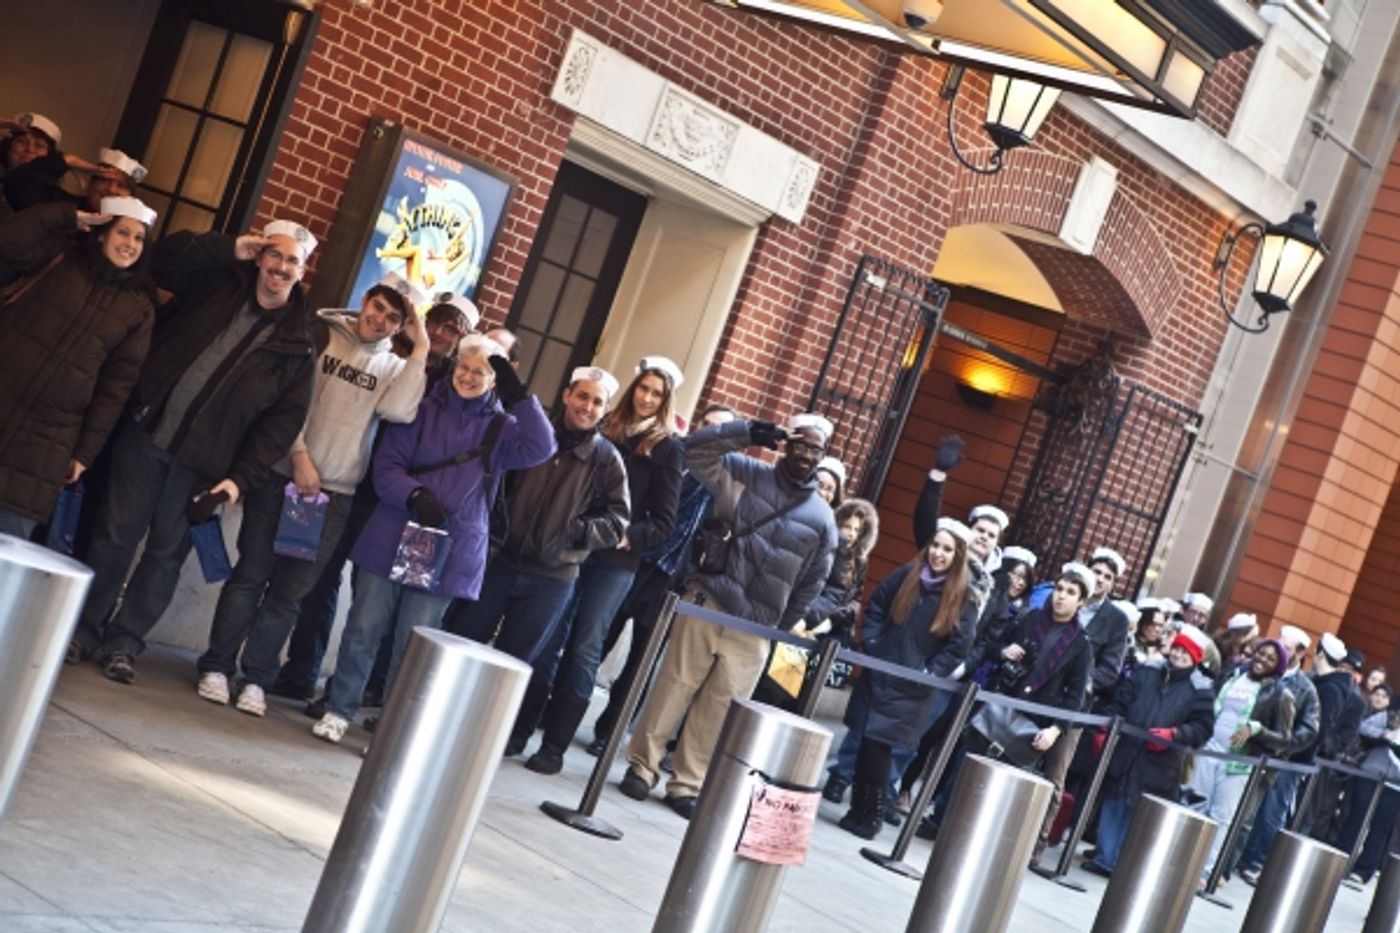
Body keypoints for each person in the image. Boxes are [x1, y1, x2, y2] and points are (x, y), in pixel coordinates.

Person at [70, 219, 321, 683]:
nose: (280, 268)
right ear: (261, 256)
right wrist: (229, 248)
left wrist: (238, 480)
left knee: (165, 557)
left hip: (204, 469)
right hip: (148, 435)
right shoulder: (218, 282)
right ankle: (82, 629)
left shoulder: (300, 346)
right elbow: (163, 261)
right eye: (274, 255)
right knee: (113, 537)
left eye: (292, 261)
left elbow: (279, 426)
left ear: (302, 272)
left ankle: (124, 642)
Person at [194, 279, 429, 715]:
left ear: (402, 325)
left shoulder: (396, 368)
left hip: (333, 496)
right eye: (377, 309)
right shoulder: (320, 336)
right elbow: (286, 403)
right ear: (365, 300)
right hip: (282, 476)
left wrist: (420, 348)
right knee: (251, 576)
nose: (379, 321)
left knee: (289, 594)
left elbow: (399, 411)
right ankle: (217, 666)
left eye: (393, 319)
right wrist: (299, 454)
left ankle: (256, 679)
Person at [309, 334, 556, 742]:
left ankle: (395, 728)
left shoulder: (503, 428)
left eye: (482, 372)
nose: (470, 377)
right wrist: (415, 494)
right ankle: (340, 708)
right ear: (454, 367)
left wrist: (521, 397)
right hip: (393, 531)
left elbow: (542, 447)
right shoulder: (422, 408)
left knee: (415, 644)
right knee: (363, 628)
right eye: (464, 367)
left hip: (448, 546)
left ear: (494, 380)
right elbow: (387, 464)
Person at [619, 412, 838, 819]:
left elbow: (812, 581)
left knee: (721, 705)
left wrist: (778, 624)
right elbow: (691, 451)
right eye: (801, 444)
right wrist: (746, 433)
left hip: (756, 624)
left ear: (823, 456)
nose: (807, 454)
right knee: (675, 683)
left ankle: (687, 783)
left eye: (816, 449)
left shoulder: (824, 519)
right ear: (787, 443)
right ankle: (642, 766)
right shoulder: (745, 471)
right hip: (710, 597)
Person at [271, 295, 481, 703]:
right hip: (357, 487)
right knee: (321, 579)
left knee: (388, 600)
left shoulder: (457, 384)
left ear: (463, 338)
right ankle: (302, 671)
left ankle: (365, 690)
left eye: (451, 329)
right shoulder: (390, 357)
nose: (438, 333)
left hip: (407, 505)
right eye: (434, 322)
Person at [515, 357, 686, 773]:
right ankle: (520, 729)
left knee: (585, 647)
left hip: (615, 561)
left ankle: (554, 746)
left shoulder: (667, 447)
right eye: (642, 389)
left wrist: (626, 536)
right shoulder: (605, 428)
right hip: (572, 548)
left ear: (665, 402)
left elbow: (665, 521)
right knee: (548, 638)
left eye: (656, 394)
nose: (646, 398)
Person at [443, 367, 630, 689]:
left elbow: (617, 521)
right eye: (582, 396)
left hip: (551, 579)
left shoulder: (607, 459)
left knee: (511, 670)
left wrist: (572, 532)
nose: (587, 407)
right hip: (499, 563)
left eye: (597, 402)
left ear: (605, 410)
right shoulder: (532, 436)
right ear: (566, 395)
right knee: (461, 646)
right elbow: (496, 484)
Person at [0, 196, 157, 538]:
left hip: (46, 442)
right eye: (123, 233)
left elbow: (115, 389)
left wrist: (85, 453)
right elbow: (8, 243)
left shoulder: (138, 310)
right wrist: (65, 215)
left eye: (138, 238)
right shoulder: (62, 258)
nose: (130, 244)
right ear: (102, 233)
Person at [586, 404, 738, 754]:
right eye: (708, 426)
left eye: (721, 431)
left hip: (674, 578)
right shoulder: (671, 453)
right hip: (635, 559)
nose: (712, 434)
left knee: (642, 657)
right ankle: (563, 705)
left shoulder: (726, 479)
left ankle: (609, 732)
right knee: (599, 636)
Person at [917, 562, 1097, 839]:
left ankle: (976, 835)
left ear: (1081, 601)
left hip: (1032, 722)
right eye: (1059, 588)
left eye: (1070, 592)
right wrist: (1004, 651)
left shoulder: (1081, 644)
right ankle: (940, 820)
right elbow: (991, 645)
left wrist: (1055, 729)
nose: (1061, 595)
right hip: (998, 704)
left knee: (1004, 783)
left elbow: (1075, 696)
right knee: (966, 767)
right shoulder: (1030, 618)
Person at [837, 517, 977, 839]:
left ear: (958, 555)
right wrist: (871, 643)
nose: (938, 554)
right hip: (880, 672)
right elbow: (876, 607)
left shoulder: (962, 596)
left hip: (911, 687)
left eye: (947, 549)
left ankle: (870, 816)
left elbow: (960, 645)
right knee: (865, 744)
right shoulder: (907, 575)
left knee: (879, 750)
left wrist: (929, 673)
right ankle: (856, 810)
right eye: (936, 546)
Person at [1082, 624, 1215, 876]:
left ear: (1195, 658)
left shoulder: (1200, 690)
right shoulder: (1147, 672)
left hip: (1161, 763)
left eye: (1184, 653)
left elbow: (1202, 729)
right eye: (1176, 649)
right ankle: (1104, 858)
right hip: (1127, 751)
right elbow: (1121, 701)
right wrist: (1107, 728)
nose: (1177, 655)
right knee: (1114, 802)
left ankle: (1124, 863)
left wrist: (1175, 734)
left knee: (1140, 813)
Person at [1032, 545, 1132, 863]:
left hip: (1073, 707)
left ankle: (1038, 842)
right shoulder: (1062, 602)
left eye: (1107, 576)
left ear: (1114, 583)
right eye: (1097, 572)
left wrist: (1079, 679)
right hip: (1036, 695)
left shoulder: (1115, 620)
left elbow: (1110, 669)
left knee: (1054, 773)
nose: (1101, 579)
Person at [754, 494, 878, 710]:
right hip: (798, 618)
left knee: (790, 692)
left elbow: (848, 597)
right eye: (847, 526)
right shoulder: (826, 546)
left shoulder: (857, 561)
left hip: (817, 628)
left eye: (857, 530)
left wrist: (825, 619)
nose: (850, 533)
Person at [1189, 638, 1294, 883]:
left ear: (1278, 666)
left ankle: (1205, 872)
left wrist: (1256, 728)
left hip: (1240, 763)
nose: (1262, 660)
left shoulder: (1280, 693)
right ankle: (1184, 858)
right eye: (1261, 653)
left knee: (1221, 817)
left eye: (1271, 658)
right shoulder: (1232, 676)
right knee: (1194, 806)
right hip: (1210, 750)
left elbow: (1285, 739)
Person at [1237, 624, 1321, 881]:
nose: (1279, 649)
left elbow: (1308, 730)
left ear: (1298, 653)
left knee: (1260, 815)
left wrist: (1280, 745)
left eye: (1286, 646)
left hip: (1274, 760)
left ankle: (1248, 861)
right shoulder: (1254, 671)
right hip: (1240, 751)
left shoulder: (1305, 688)